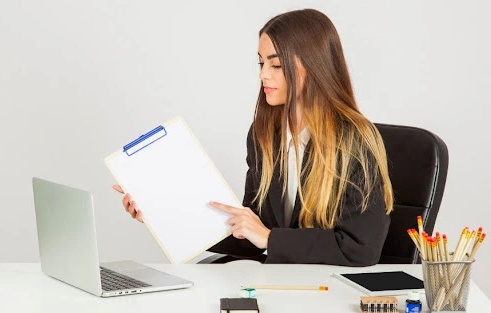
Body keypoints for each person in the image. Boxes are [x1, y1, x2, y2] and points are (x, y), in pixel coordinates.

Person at [113, 8, 394, 266]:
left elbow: (361, 248)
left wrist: (270, 239)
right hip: (277, 283)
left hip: (327, 292)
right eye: (260, 63)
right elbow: (253, 233)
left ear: (313, 65)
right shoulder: (265, 135)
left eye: (275, 65)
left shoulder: (355, 140)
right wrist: (162, 212)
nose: (262, 75)